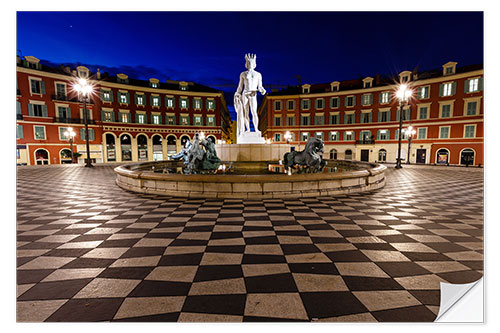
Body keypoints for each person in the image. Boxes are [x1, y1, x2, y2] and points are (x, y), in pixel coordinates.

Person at [234, 53, 266, 137]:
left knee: (254, 112)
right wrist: (237, 93)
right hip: (245, 93)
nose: (250, 64)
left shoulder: (258, 74)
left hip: (253, 93)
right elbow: (240, 86)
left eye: (251, 62)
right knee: (245, 113)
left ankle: (256, 129)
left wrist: (262, 90)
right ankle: (247, 129)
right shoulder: (243, 74)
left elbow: (260, 86)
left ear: (254, 64)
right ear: (246, 64)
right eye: (248, 63)